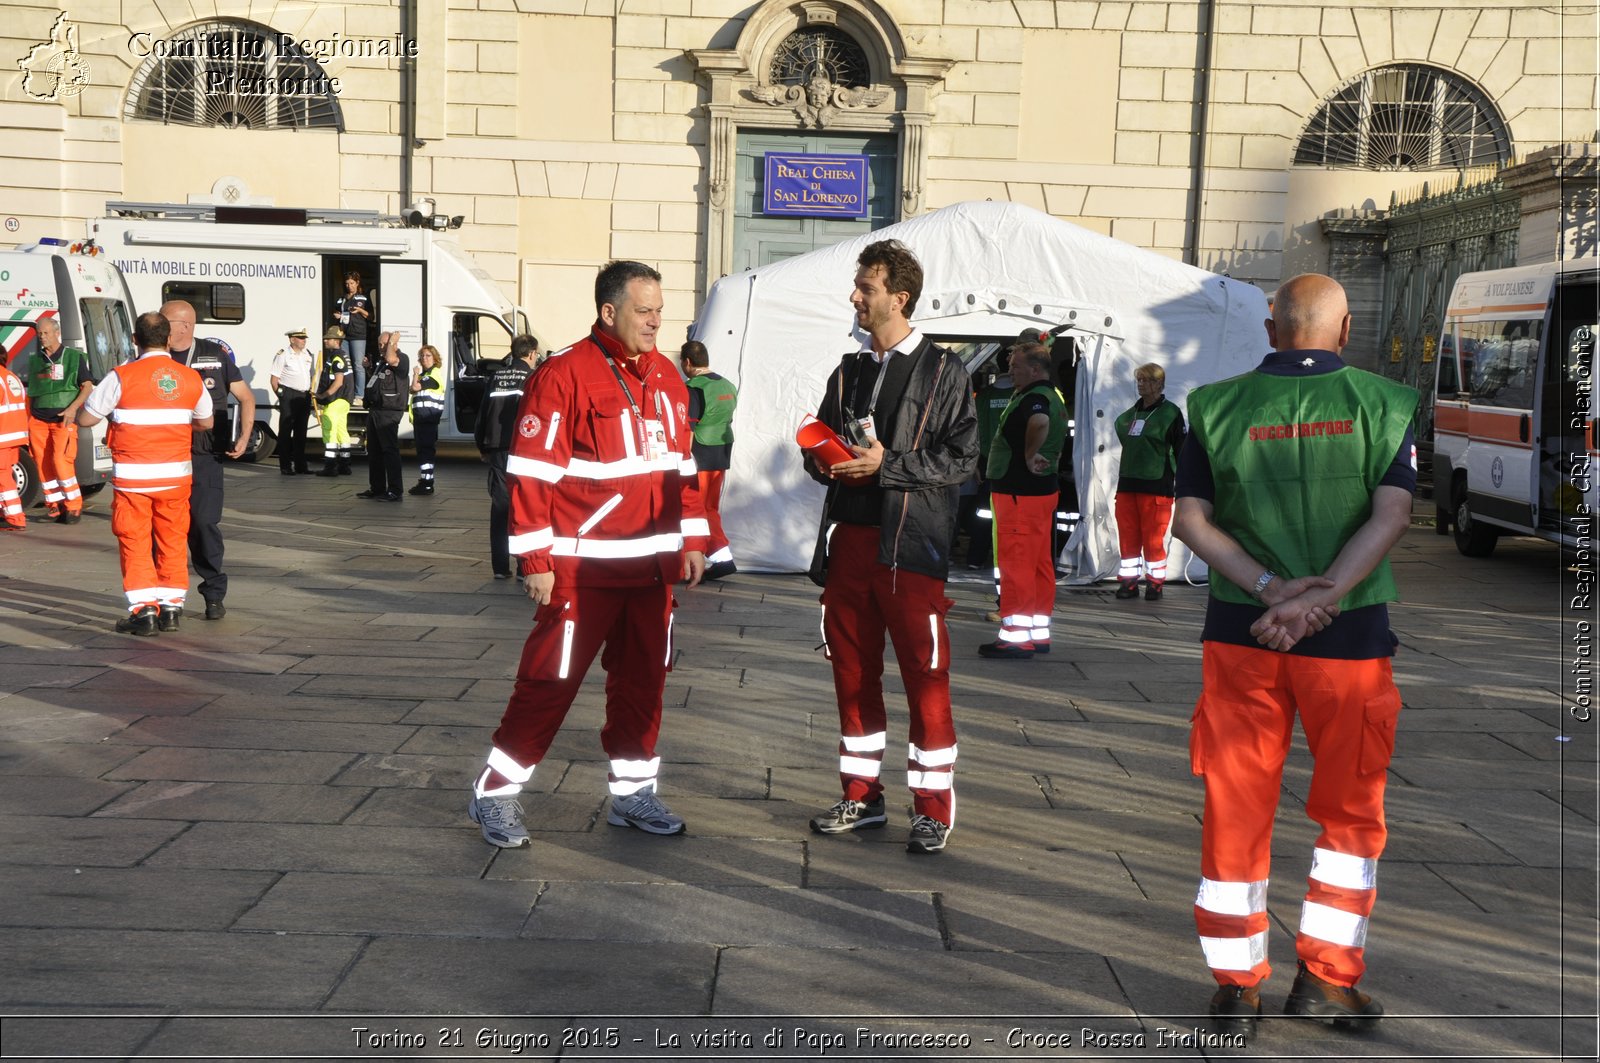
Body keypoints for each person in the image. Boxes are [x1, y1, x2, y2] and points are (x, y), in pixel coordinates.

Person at [1172, 273, 1418, 1042]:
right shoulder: (1384, 403)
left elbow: (1189, 521)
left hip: (1245, 634)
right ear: (1345, 333)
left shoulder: (1213, 407)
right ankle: (1326, 980)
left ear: (1272, 331)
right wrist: (1327, 596)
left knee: (1237, 805)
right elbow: (1396, 510)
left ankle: (1237, 988)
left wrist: (1274, 590)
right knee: (1349, 814)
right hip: (1348, 644)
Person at [467, 261, 708, 849]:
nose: (656, 322)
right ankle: (494, 794)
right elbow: (529, 475)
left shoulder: (669, 379)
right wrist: (536, 561)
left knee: (643, 686)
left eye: (659, 311)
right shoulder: (563, 374)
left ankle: (632, 795)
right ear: (609, 312)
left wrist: (696, 542)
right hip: (582, 570)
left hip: (651, 574)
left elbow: (685, 469)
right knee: (548, 682)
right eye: (643, 311)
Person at [802, 239, 978, 855]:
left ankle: (931, 808)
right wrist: (823, 463)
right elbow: (817, 439)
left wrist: (889, 466)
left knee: (926, 677)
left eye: (866, 288)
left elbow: (961, 458)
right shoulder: (849, 369)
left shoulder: (945, 370)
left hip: (912, 548)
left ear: (898, 298)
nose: (855, 296)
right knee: (852, 675)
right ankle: (861, 794)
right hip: (849, 543)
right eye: (858, 286)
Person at [76, 311, 213, 635]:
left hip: (133, 480)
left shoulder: (121, 376)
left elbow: (86, 420)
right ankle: (170, 609)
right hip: (175, 479)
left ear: (134, 341)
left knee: (135, 541)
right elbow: (206, 422)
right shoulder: (189, 377)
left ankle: (144, 612)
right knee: (173, 539)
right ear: (168, 340)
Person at [163, 300, 256, 621]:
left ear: (185, 326)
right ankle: (166, 596)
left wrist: (244, 437)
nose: (161, 327)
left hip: (205, 454)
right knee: (165, 528)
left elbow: (245, 397)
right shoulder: (154, 358)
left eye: (167, 322)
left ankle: (214, 592)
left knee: (203, 523)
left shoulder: (215, 355)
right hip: (164, 455)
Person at [977, 340, 1066, 659]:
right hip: (1038, 493)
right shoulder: (1050, 394)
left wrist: (1028, 455)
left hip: (1019, 492)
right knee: (1040, 562)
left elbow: (1039, 422)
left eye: (1015, 366)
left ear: (1035, 368)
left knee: (1016, 564)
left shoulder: (1035, 399)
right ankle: (1038, 632)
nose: (1010, 371)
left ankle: (1015, 637)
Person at [1113, 362, 1186, 600]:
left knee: (1153, 539)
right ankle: (1129, 582)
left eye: (1146, 380)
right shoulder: (1129, 416)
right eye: (1139, 380)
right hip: (1127, 485)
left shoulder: (1170, 413)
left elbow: (1182, 450)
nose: (1141, 385)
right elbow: (1124, 436)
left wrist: (1183, 484)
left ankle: (1155, 583)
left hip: (1157, 486)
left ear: (1159, 384)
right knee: (1128, 536)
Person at [473, 334, 540, 579]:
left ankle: (500, 568)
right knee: (524, 508)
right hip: (523, 450)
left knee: (500, 507)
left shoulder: (495, 377)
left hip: (498, 450)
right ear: (531, 353)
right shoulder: (532, 378)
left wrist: (482, 445)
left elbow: (483, 413)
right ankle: (525, 567)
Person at [24, 316, 95, 523]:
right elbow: (32, 393)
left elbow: (87, 386)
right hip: (38, 420)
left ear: (57, 333)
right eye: (39, 333)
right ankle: (54, 506)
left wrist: (73, 409)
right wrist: (28, 420)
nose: (42, 337)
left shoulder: (74, 357)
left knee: (60, 461)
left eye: (45, 333)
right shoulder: (36, 360)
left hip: (63, 420)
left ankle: (73, 506)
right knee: (43, 463)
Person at [679, 339, 739, 580]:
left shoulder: (694, 387)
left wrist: (682, 458)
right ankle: (721, 558)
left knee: (693, 509)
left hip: (699, 454)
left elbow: (689, 426)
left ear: (687, 362)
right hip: (721, 452)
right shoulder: (727, 385)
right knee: (709, 508)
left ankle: (697, 562)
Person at [358, 332, 407, 501]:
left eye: (384, 344)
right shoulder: (380, 362)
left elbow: (393, 360)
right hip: (376, 409)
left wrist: (392, 342)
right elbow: (375, 381)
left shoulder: (401, 358)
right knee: (374, 451)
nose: (381, 348)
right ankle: (377, 488)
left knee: (389, 450)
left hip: (389, 410)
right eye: (379, 345)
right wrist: (368, 368)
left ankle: (395, 490)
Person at [270, 327, 316, 475]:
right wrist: (282, 396)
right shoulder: (283, 355)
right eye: (301, 338)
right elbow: (274, 380)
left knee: (301, 432)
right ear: (292, 339)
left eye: (305, 338)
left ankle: (301, 466)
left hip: (304, 395)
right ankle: (285, 466)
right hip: (289, 394)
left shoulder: (307, 354)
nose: (304, 341)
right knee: (285, 431)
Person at [313, 326, 355, 477]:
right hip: (344, 401)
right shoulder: (343, 356)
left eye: (328, 339)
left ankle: (330, 467)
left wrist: (323, 395)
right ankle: (345, 465)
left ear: (336, 341)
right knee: (342, 432)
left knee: (329, 431)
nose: (325, 340)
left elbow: (338, 381)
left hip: (335, 400)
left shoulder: (336, 357)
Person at [408, 344, 445, 495]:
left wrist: (415, 373)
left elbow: (414, 388)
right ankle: (425, 480)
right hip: (422, 419)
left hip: (427, 419)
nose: (424, 359)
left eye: (428, 356)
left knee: (426, 452)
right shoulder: (426, 376)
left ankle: (427, 483)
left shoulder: (433, 375)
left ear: (435, 359)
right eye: (422, 356)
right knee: (423, 451)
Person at [333, 271, 373, 399]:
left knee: (358, 365)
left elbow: (371, 317)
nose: (349, 286)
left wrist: (360, 310)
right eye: (347, 283)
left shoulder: (364, 298)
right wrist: (337, 316)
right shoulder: (342, 299)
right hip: (344, 336)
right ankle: (346, 393)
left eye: (352, 283)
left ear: (357, 283)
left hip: (359, 335)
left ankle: (359, 395)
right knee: (345, 365)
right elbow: (337, 312)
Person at [0, 356, 28, 530]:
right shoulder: (12, 376)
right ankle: (8, 513)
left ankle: (15, 517)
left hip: (2, 436)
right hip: (15, 435)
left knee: (3, 477)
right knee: (5, 475)